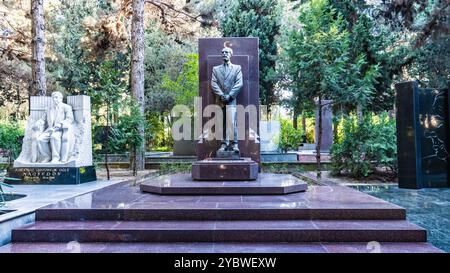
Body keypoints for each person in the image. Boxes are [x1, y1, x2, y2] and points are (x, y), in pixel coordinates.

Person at [211, 46, 243, 153]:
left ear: (230, 54)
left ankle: (234, 145)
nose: (224, 53)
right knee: (222, 123)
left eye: (227, 52)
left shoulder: (237, 68)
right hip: (220, 101)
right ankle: (224, 144)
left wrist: (229, 96)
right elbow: (213, 83)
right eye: (223, 52)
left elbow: (239, 83)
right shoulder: (216, 69)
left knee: (231, 122)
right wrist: (221, 95)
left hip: (231, 100)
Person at [31, 92, 74, 163]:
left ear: (61, 99)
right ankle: (47, 156)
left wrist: (60, 124)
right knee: (40, 139)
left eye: (57, 97)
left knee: (54, 137)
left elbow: (70, 119)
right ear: (52, 99)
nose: (56, 99)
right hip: (50, 129)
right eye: (54, 97)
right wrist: (39, 122)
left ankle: (56, 158)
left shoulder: (66, 107)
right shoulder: (48, 108)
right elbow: (43, 119)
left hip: (60, 129)